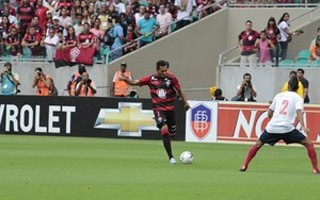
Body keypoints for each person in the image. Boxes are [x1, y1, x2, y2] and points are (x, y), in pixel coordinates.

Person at [239, 75, 320, 174]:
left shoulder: (279, 95)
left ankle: (244, 165)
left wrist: (274, 121)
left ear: (288, 86)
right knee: (309, 144)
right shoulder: (298, 98)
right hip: (287, 128)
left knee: (257, 145)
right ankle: (316, 169)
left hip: (272, 128)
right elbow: (299, 111)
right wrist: (303, 126)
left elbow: (269, 113)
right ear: (298, 88)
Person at [120, 60, 190, 164]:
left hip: (170, 110)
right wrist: (126, 80)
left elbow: (180, 91)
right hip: (158, 109)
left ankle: (169, 141)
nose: (164, 73)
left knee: (172, 133)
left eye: (166, 70)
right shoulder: (150, 78)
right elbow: (135, 82)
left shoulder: (172, 78)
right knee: (164, 130)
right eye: (162, 71)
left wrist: (186, 103)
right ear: (157, 69)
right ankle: (171, 157)